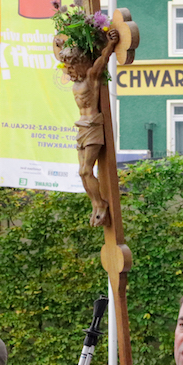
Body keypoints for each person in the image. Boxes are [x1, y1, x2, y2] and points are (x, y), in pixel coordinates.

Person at [60, 25, 119, 227]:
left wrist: (110, 44)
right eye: (67, 68)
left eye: (73, 67)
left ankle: (101, 204)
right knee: (81, 172)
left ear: (83, 64)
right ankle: (95, 204)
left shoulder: (91, 77)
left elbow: (102, 61)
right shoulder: (75, 82)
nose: (69, 71)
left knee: (86, 170)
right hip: (82, 127)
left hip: (94, 126)